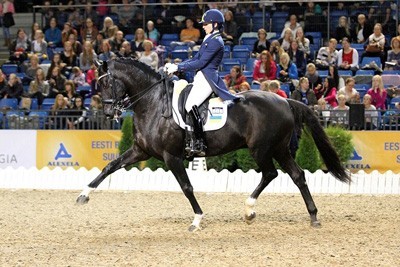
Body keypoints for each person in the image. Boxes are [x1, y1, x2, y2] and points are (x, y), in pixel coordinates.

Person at [163, 9, 239, 157]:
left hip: (207, 78)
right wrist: (175, 65)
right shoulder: (209, 38)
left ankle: (199, 142)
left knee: (190, 105)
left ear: (215, 24)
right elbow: (195, 58)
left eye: (206, 24)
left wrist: (178, 67)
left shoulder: (216, 41)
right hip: (200, 77)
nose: (203, 26)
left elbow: (201, 62)